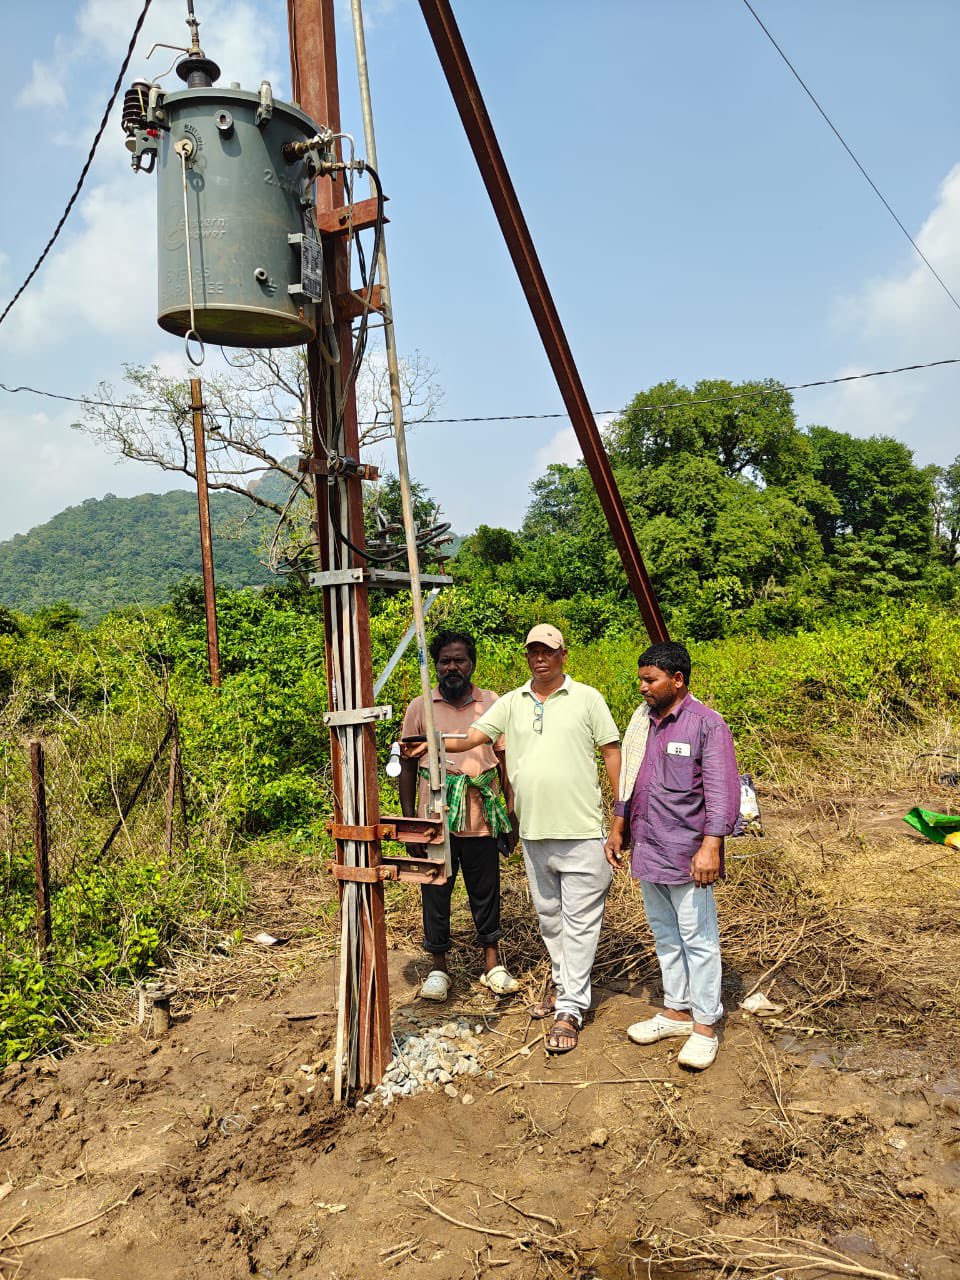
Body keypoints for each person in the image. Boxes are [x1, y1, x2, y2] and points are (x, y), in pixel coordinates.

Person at [418, 625, 621, 1054]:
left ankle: (569, 1007)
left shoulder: (588, 698)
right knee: (551, 919)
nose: (540, 658)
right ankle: (565, 988)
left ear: (563, 654)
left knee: (580, 923)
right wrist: (433, 743)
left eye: (548, 650)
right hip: (534, 832)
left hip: (582, 831)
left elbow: (611, 753)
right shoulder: (512, 702)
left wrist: (623, 813)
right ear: (526, 656)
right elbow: (473, 737)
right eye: (533, 651)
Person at [604, 641, 739, 1070]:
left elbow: (721, 792)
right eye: (641, 679)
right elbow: (629, 781)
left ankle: (704, 1025)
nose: (642, 687)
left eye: (651, 680)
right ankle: (677, 1011)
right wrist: (618, 826)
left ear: (677, 680)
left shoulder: (706, 725)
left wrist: (711, 846)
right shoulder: (643, 723)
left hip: (688, 853)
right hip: (649, 846)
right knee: (665, 937)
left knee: (699, 940)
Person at [399, 629, 519, 1003]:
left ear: (472, 664)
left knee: (486, 892)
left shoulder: (493, 703)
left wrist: (512, 816)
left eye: (459, 660)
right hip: (434, 819)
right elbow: (405, 764)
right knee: (436, 892)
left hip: (482, 816)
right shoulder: (420, 706)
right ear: (435, 666)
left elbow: (505, 763)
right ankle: (438, 968)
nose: (452, 667)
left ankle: (492, 965)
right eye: (445, 661)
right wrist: (410, 825)